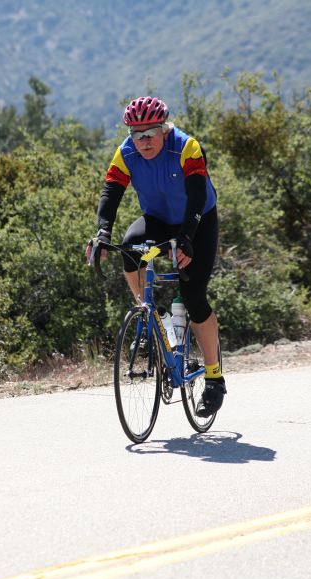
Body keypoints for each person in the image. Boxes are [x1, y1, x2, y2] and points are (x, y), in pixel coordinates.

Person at [86, 96, 225, 417]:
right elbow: (111, 191)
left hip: (198, 220)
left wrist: (187, 238)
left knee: (193, 296)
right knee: (130, 248)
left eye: (150, 133)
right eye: (136, 134)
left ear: (164, 129)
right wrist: (102, 233)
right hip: (159, 221)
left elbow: (197, 194)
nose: (143, 141)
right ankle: (152, 316)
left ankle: (214, 377)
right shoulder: (126, 152)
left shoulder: (187, 147)